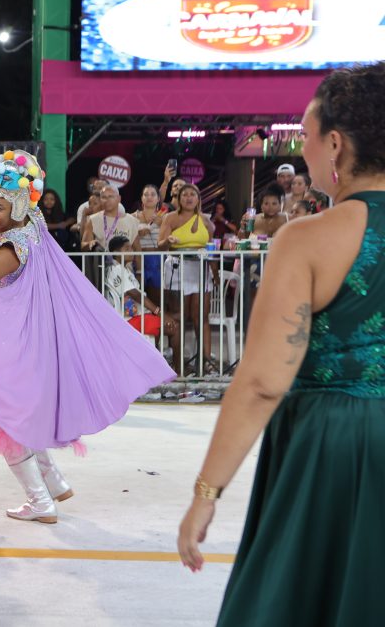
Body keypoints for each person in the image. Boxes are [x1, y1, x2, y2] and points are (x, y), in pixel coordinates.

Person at [178, 62, 385, 627]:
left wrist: (206, 493)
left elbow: (264, 381)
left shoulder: (310, 238)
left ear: (336, 145)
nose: (303, 148)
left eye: (307, 133)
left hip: (335, 446)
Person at [0, 150, 174, 524]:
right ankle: (54, 481)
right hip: (30, 344)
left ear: (19, 206)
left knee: (7, 420)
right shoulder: (33, 227)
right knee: (21, 418)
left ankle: (40, 502)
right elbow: (27, 202)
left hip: (18, 349)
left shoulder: (9, 248)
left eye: (0, 206)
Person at [159, 183, 216, 375]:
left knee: (201, 317)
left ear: (198, 199)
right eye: (185, 194)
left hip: (200, 270)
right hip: (177, 268)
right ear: (179, 198)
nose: (189, 198)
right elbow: (160, 245)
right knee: (178, 317)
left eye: (193, 194)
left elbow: (212, 248)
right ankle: (178, 365)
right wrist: (168, 241)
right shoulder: (170, 218)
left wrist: (215, 274)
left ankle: (205, 363)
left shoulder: (206, 221)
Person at [105, 235, 179, 347]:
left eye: (131, 248)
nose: (132, 251)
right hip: (130, 319)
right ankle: (166, 359)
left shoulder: (126, 269)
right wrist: (159, 312)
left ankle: (155, 354)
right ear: (116, 253)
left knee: (175, 319)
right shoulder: (116, 269)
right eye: (127, 249)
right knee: (174, 327)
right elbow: (135, 294)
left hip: (140, 314)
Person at [81, 185, 141, 253]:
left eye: (111, 197)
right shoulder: (93, 220)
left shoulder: (131, 220)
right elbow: (83, 245)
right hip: (102, 259)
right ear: (100, 199)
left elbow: (137, 249)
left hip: (125, 260)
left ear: (119, 199)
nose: (107, 200)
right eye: (104, 197)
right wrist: (90, 244)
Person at [133, 184, 166, 299]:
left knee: (156, 298)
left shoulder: (165, 217)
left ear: (158, 198)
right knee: (138, 297)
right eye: (146, 194)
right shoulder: (132, 216)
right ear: (141, 198)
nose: (149, 197)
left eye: (153, 194)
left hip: (158, 260)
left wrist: (160, 224)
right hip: (138, 259)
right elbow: (128, 237)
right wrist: (139, 232)